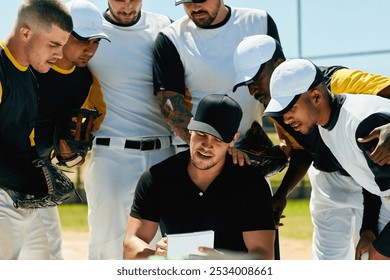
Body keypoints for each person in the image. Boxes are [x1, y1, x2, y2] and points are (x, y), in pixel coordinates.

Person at [233, 34, 390, 259]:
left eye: (256, 78)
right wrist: (282, 194)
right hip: (333, 175)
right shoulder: (281, 108)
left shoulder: (337, 83)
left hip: (373, 171)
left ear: (278, 65)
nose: (253, 90)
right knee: (328, 261)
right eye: (247, 84)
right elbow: (301, 151)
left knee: (373, 256)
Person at [123, 94, 275, 260]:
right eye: (201, 133)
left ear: (233, 140)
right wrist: (158, 256)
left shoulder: (251, 184)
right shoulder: (158, 177)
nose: (207, 145)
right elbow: (131, 244)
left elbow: (264, 255)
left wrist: (223, 263)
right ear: (190, 129)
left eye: (217, 138)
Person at [84, 0, 175, 260]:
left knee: (163, 250)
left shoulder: (164, 26)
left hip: (163, 154)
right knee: (108, 249)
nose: (126, 5)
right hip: (111, 155)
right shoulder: (90, 28)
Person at [31, 0, 108, 260]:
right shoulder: (27, 67)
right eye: (83, 40)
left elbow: (72, 138)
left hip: (39, 170)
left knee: (50, 252)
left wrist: (67, 151)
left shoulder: (84, 80)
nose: (90, 49)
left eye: (96, 41)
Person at [153, 0, 280, 156]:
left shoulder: (259, 21)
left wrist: (285, 143)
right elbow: (170, 107)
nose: (195, 7)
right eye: (187, 2)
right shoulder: (171, 38)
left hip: (250, 150)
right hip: (196, 152)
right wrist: (215, 147)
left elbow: (278, 87)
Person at [0, 0, 72, 259]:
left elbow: (24, 140)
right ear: (26, 33)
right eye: (53, 44)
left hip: (23, 200)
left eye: (63, 46)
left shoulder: (30, 77)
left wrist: (43, 169)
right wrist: (28, 177)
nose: (60, 54)